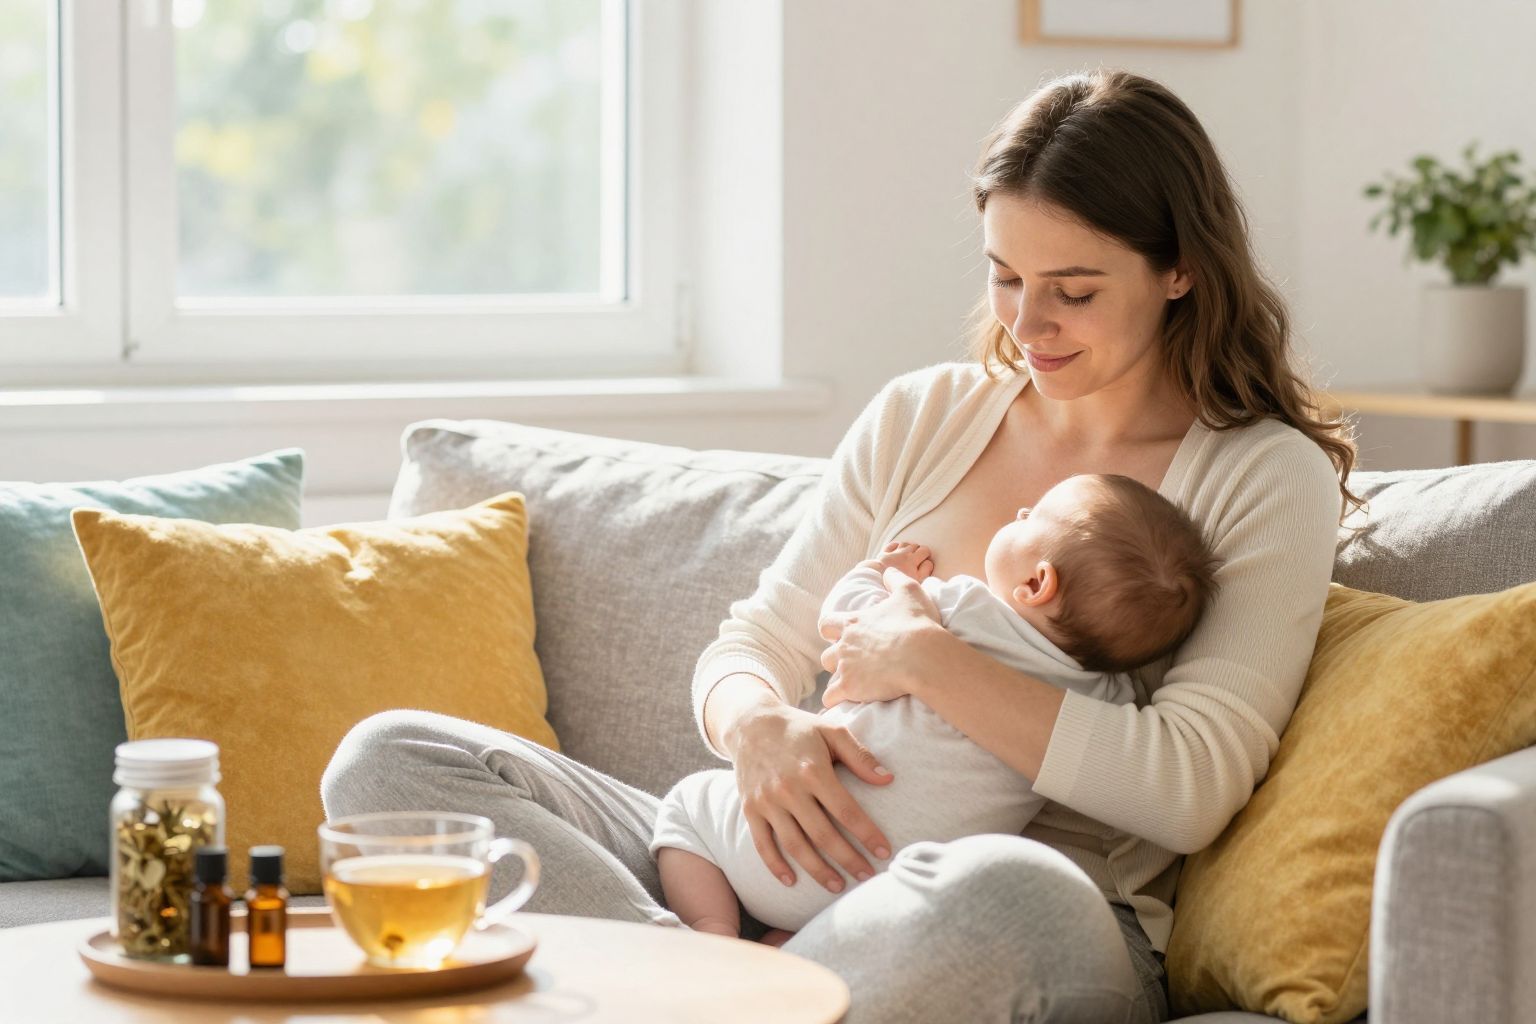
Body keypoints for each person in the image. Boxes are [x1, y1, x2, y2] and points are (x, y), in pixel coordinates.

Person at [320, 67, 1359, 1023]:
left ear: (1179, 270)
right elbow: (752, 644)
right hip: (775, 866)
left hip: (995, 906)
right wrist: (759, 730)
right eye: (1006, 278)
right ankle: (705, 985)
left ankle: (692, 989)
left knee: (1002, 894)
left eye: (1074, 291)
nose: (1030, 324)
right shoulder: (925, 415)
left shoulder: (1261, 473)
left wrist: (929, 660)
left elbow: (1189, 786)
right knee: (394, 758)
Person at [652, 473, 1222, 939]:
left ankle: (711, 930)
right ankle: (794, 952)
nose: (1020, 510)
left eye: (1033, 517)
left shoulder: (962, 607)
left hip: (769, 844)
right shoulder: (1105, 705)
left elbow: (839, 621)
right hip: (884, 906)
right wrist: (755, 719)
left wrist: (881, 575)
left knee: (683, 806)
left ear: (1036, 582)